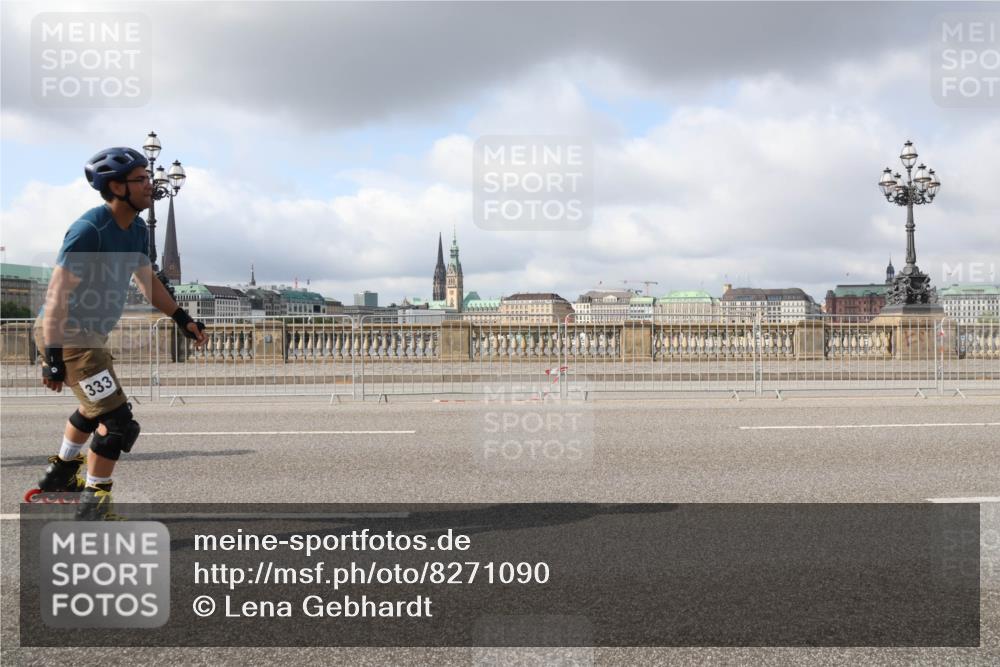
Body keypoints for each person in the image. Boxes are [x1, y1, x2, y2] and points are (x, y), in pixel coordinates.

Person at [33, 146, 207, 520]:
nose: (151, 186)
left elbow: (148, 284)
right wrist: (52, 357)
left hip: (92, 335)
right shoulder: (89, 230)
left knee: (92, 407)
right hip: (70, 335)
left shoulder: (137, 230)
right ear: (116, 186)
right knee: (117, 423)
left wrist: (182, 318)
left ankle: (62, 471)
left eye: (149, 178)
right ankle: (93, 507)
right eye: (142, 179)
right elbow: (57, 295)